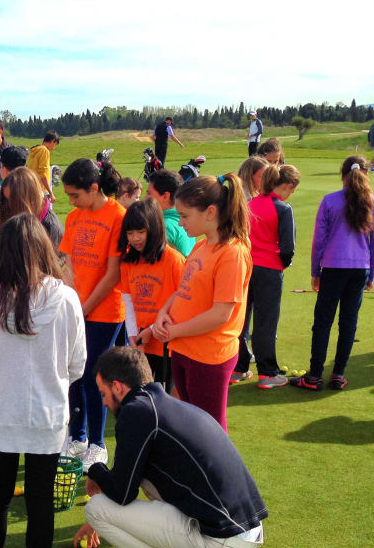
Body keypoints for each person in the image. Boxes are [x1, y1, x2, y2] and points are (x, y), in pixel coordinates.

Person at [0, 214, 86, 548]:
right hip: (48, 412)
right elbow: (77, 364)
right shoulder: (67, 299)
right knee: (40, 499)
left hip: (2, 409)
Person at [73, 347, 267, 548]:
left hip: (224, 539)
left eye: (104, 393)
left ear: (118, 387)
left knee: (96, 509)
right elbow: (129, 477)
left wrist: (95, 469)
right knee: (146, 481)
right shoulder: (163, 405)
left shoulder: (136, 411)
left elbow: (122, 493)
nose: (103, 402)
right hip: (244, 533)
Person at [151, 174, 251, 431]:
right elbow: (183, 290)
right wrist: (164, 312)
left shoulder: (232, 253)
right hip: (183, 348)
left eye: (185, 215)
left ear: (210, 212)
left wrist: (174, 331)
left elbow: (220, 314)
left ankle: (216, 473)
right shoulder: (201, 246)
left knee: (210, 431)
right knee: (189, 425)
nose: (180, 222)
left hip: (209, 356)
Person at [58, 158, 125, 472]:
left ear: (94, 188)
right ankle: (78, 436)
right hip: (77, 307)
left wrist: (83, 308)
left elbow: (112, 274)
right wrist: (70, 296)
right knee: (73, 374)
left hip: (105, 311)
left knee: (93, 376)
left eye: (76, 195)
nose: (71, 202)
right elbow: (68, 261)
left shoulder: (118, 216)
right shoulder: (73, 217)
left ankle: (98, 444)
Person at [293, 156, 374, 391]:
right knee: (349, 322)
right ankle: (338, 374)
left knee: (323, 322)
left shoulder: (330, 201)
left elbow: (320, 240)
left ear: (342, 175)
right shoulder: (371, 201)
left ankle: (315, 375)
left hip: (333, 268)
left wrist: (315, 271)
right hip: (360, 269)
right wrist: (371, 275)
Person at [233, 165, 299, 388]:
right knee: (266, 322)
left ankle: (239, 367)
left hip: (246, 267)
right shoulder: (283, 209)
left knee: (242, 319)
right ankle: (267, 373)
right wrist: (284, 264)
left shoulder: (249, 203)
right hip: (269, 270)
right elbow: (288, 247)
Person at [117, 199, 186, 386]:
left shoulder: (173, 260)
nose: (135, 238)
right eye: (130, 233)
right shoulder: (128, 262)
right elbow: (128, 301)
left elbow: (183, 302)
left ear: (154, 229)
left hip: (169, 344)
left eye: (141, 232)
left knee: (168, 399)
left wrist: (153, 330)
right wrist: (132, 336)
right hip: (142, 344)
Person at [145, 169, 195, 257]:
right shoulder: (185, 220)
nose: (145, 198)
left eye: (149, 193)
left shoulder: (163, 227)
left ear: (165, 196)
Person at [26, 130, 59, 200]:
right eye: (55, 145)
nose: (54, 148)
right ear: (53, 141)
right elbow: (42, 173)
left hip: (31, 188)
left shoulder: (34, 151)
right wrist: (51, 193)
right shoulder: (44, 151)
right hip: (40, 191)